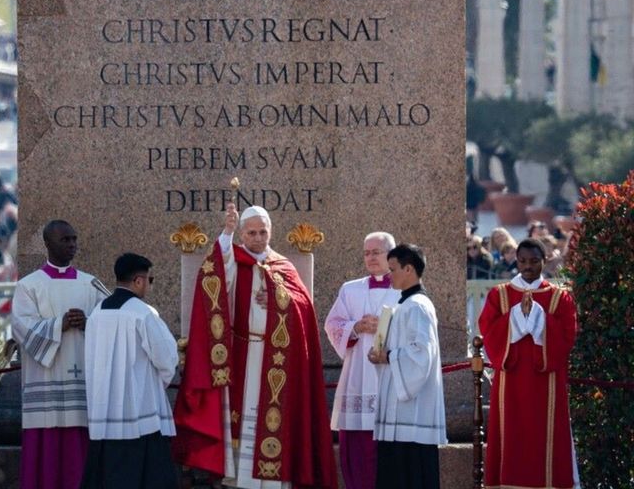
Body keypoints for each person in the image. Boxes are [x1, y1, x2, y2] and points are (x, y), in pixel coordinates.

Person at [173, 203, 337, 489]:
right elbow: (215, 275)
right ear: (242, 234)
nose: (258, 238)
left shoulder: (283, 266)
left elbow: (304, 307)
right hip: (242, 354)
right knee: (241, 421)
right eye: (251, 233)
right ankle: (237, 478)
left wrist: (278, 297)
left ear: (271, 232)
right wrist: (226, 231)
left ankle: (277, 480)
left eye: (263, 232)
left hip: (277, 360)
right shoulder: (233, 260)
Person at [11, 220, 105, 489]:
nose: (72, 244)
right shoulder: (29, 286)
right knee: (47, 449)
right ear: (48, 243)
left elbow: (110, 324)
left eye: (74, 239)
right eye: (65, 240)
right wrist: (58, 325)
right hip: (46, 377)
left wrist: (89, 323)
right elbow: (21, 327)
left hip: (81, 377)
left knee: (79, 447)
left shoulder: (92, 285)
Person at [478, 239, 578, 489]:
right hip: (510, 383)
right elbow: (487, 332)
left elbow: (567, 337)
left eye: (534, 261)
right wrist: (514, 317)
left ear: (544, 261)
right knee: (511, 435)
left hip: (546, 383)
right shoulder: (499, 295)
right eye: (522, 261)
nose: (528, 266)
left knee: (544, 438)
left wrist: (539, 319)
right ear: (516, 261)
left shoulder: (559, 298)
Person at [81, 253, 179, 488]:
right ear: (138, 281)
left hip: (104, 414)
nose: (149, 285)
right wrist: (158, 383)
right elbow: (166, 358)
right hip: (140, 414)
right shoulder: (143, 313)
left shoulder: (96, 313)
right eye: (149, 279)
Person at [323, 232, 400, 489]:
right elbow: (332, 324)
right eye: (366, 253)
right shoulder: (350, 289)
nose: (370, 257)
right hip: (357, 374)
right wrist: (355, 327)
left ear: (391, 255)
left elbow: (419, 330)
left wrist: (389, 328)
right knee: (357, 445)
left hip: (391, 375)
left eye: (376, 252)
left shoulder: (405, 290)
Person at [367, 244, 447, 489]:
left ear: (409, 269)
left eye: (393, 269)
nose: (389, 275)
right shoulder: (404, 305)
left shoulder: (418, 306)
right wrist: (381, 353)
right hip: (399, 411)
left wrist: (388, 355)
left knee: (410, 476)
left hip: (411, 412)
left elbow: (422, 353)